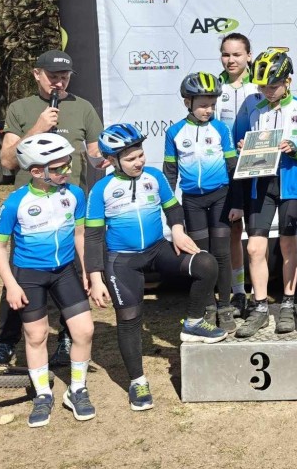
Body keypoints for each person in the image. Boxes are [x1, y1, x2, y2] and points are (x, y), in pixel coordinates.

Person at [85, 124, 226, 411]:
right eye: (130, 159)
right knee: (129, 319)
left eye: (140, 155)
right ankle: (137, 381)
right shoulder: (101, 189)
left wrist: (178, 230)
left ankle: (193, 322)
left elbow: (173, 207)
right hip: (122, 260)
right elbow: (93, 236)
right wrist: (96, 278)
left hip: (157, 249)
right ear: (111, 161)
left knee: (206, 263)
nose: (138, 162)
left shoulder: (154, 176)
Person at [0, 49, 103, 371]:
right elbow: (7, 161)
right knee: (19, 275)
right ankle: (6, 343)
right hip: (30, 206)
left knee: (73, 273)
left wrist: (108, 157)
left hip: (68, 205)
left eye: (64, 77)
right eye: (53, 76)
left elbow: (95, 156)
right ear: (37, 74)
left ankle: (67, 339)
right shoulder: (20, 108)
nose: (59, 82)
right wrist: (38, 126)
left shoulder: (83, 108)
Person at [0, 134, 96, 426]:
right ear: (37, 171)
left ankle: (77, 389)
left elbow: (80, 234)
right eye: (59, 168)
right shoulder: (16, 202)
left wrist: (87, 270)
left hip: (64, 271)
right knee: (36, 336)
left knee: (84, 331)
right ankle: (42, 395)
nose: (67, 171)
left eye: (68, 164)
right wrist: (11, 285)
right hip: (29, 276)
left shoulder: (75, 194)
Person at [234, 48, 297, 337]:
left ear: (288, 81)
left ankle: (287, 304)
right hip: (260, 183)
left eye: (272, 86)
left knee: (287, 244)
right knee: (254, 247)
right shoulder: (253, 109)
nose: (267, 92)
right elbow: (238, 138)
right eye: (262, 87)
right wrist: (242, 147)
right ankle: (260, 308)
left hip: (291, 184)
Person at [164, 72, 239, 332]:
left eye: (212, 105)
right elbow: (170, 173)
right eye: (203, 105)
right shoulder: (174, 132)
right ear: (188, 103)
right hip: (192, 201)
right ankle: (208, 306)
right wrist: (169, 207)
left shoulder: (221, 129)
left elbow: (233, 167)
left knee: (222, 253)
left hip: (220, 196)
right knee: (201, 257)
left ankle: (225, 306)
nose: (209, 110)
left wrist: (237, 202)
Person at [216, 32, 263, 318]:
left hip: (256, 163)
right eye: (226, 54)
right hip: (227, 167)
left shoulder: (260, 85)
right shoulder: (215, 87)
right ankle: (237, 292)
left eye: (237, 54)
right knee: (234, 229)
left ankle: (259, 293)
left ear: (249, 56)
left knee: (257, 231)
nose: (231, 60)